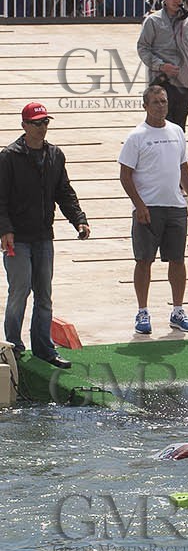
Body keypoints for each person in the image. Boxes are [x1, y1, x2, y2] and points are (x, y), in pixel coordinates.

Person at [0, 102, 89, 368]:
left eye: (45, 122)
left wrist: (79, 220)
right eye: (36, 123)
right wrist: (5, 230)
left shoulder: (55, 155)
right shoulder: (9, 157)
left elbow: (64, 192)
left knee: (44, 295)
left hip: (43, 236)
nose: (42, 128)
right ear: (24, 125)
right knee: (19, 292)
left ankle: (44, 349)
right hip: (17, 238)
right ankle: (13, 348)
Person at [119, 84, 188, 335]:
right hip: (148, 208)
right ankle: (142, 311)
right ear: (145, 106)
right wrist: (139, 205)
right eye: (155, 102)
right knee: (144, 260)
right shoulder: (137, 136)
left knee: (177, 260)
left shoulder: (177, 131)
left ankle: (178, 310)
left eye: (163, 101)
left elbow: (183, 167)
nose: (160, 106)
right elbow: (125, 175)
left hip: (176, 206)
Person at [136, 0, 188, 129]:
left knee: (179, 129)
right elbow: (143, 48)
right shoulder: (153, 21)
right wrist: (161, 66)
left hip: (184, 84)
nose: (177, 0)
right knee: (159, 126)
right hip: (161, 83)